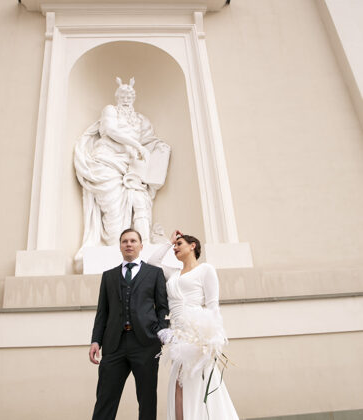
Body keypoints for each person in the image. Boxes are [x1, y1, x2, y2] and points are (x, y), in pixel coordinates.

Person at [74, 77, 171, 264]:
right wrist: (136, 145)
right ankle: (113, 249)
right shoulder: (110, 111)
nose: (126, 99)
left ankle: (143, 247)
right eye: (123, 96)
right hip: (107, 161)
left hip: (131, 168)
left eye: (130, 96)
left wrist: (159, 149)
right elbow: (111, 130)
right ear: (117, 97)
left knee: (140, 202)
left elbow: (149, 141)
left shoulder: (141, 120)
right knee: (113, 208)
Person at [148, 230, 239, 420]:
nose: (175, 248)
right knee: (179, 383)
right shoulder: (173, 273)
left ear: (192, 246)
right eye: (175, 245)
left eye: (179, 244)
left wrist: (214, 338)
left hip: (197, 333)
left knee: (194, 381)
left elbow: (213, 305)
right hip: (177, 332)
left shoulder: (205, 269)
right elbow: (152, 262)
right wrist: (168, 242)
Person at [89, 228, 169, 420]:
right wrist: (96, 340)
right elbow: (102, 312)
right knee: (105, 398)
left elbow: (162, 308)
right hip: (114, 344)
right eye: (125, 241)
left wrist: (160, 332)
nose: (129, 244)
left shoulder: (155, 273)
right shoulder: (108, 276)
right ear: (120, 246)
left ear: (141, 246)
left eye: (133, 241)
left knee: (147, 398)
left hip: (146, 344)